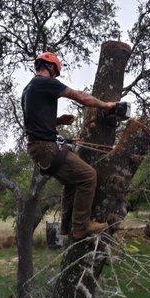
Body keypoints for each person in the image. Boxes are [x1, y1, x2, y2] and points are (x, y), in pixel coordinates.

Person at [22, 52, 116, 239]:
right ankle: (81, 227)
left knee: (71, 182)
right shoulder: (45, 82)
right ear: (51, 68)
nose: (56, 76)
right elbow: (79, 96)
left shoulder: (28, 89)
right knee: (88, 176)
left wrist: (57, 121)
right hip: (46, 147)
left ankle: (66, 226)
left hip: (38, 148)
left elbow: (33, 123)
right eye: (55, 72)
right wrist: (105, 105)